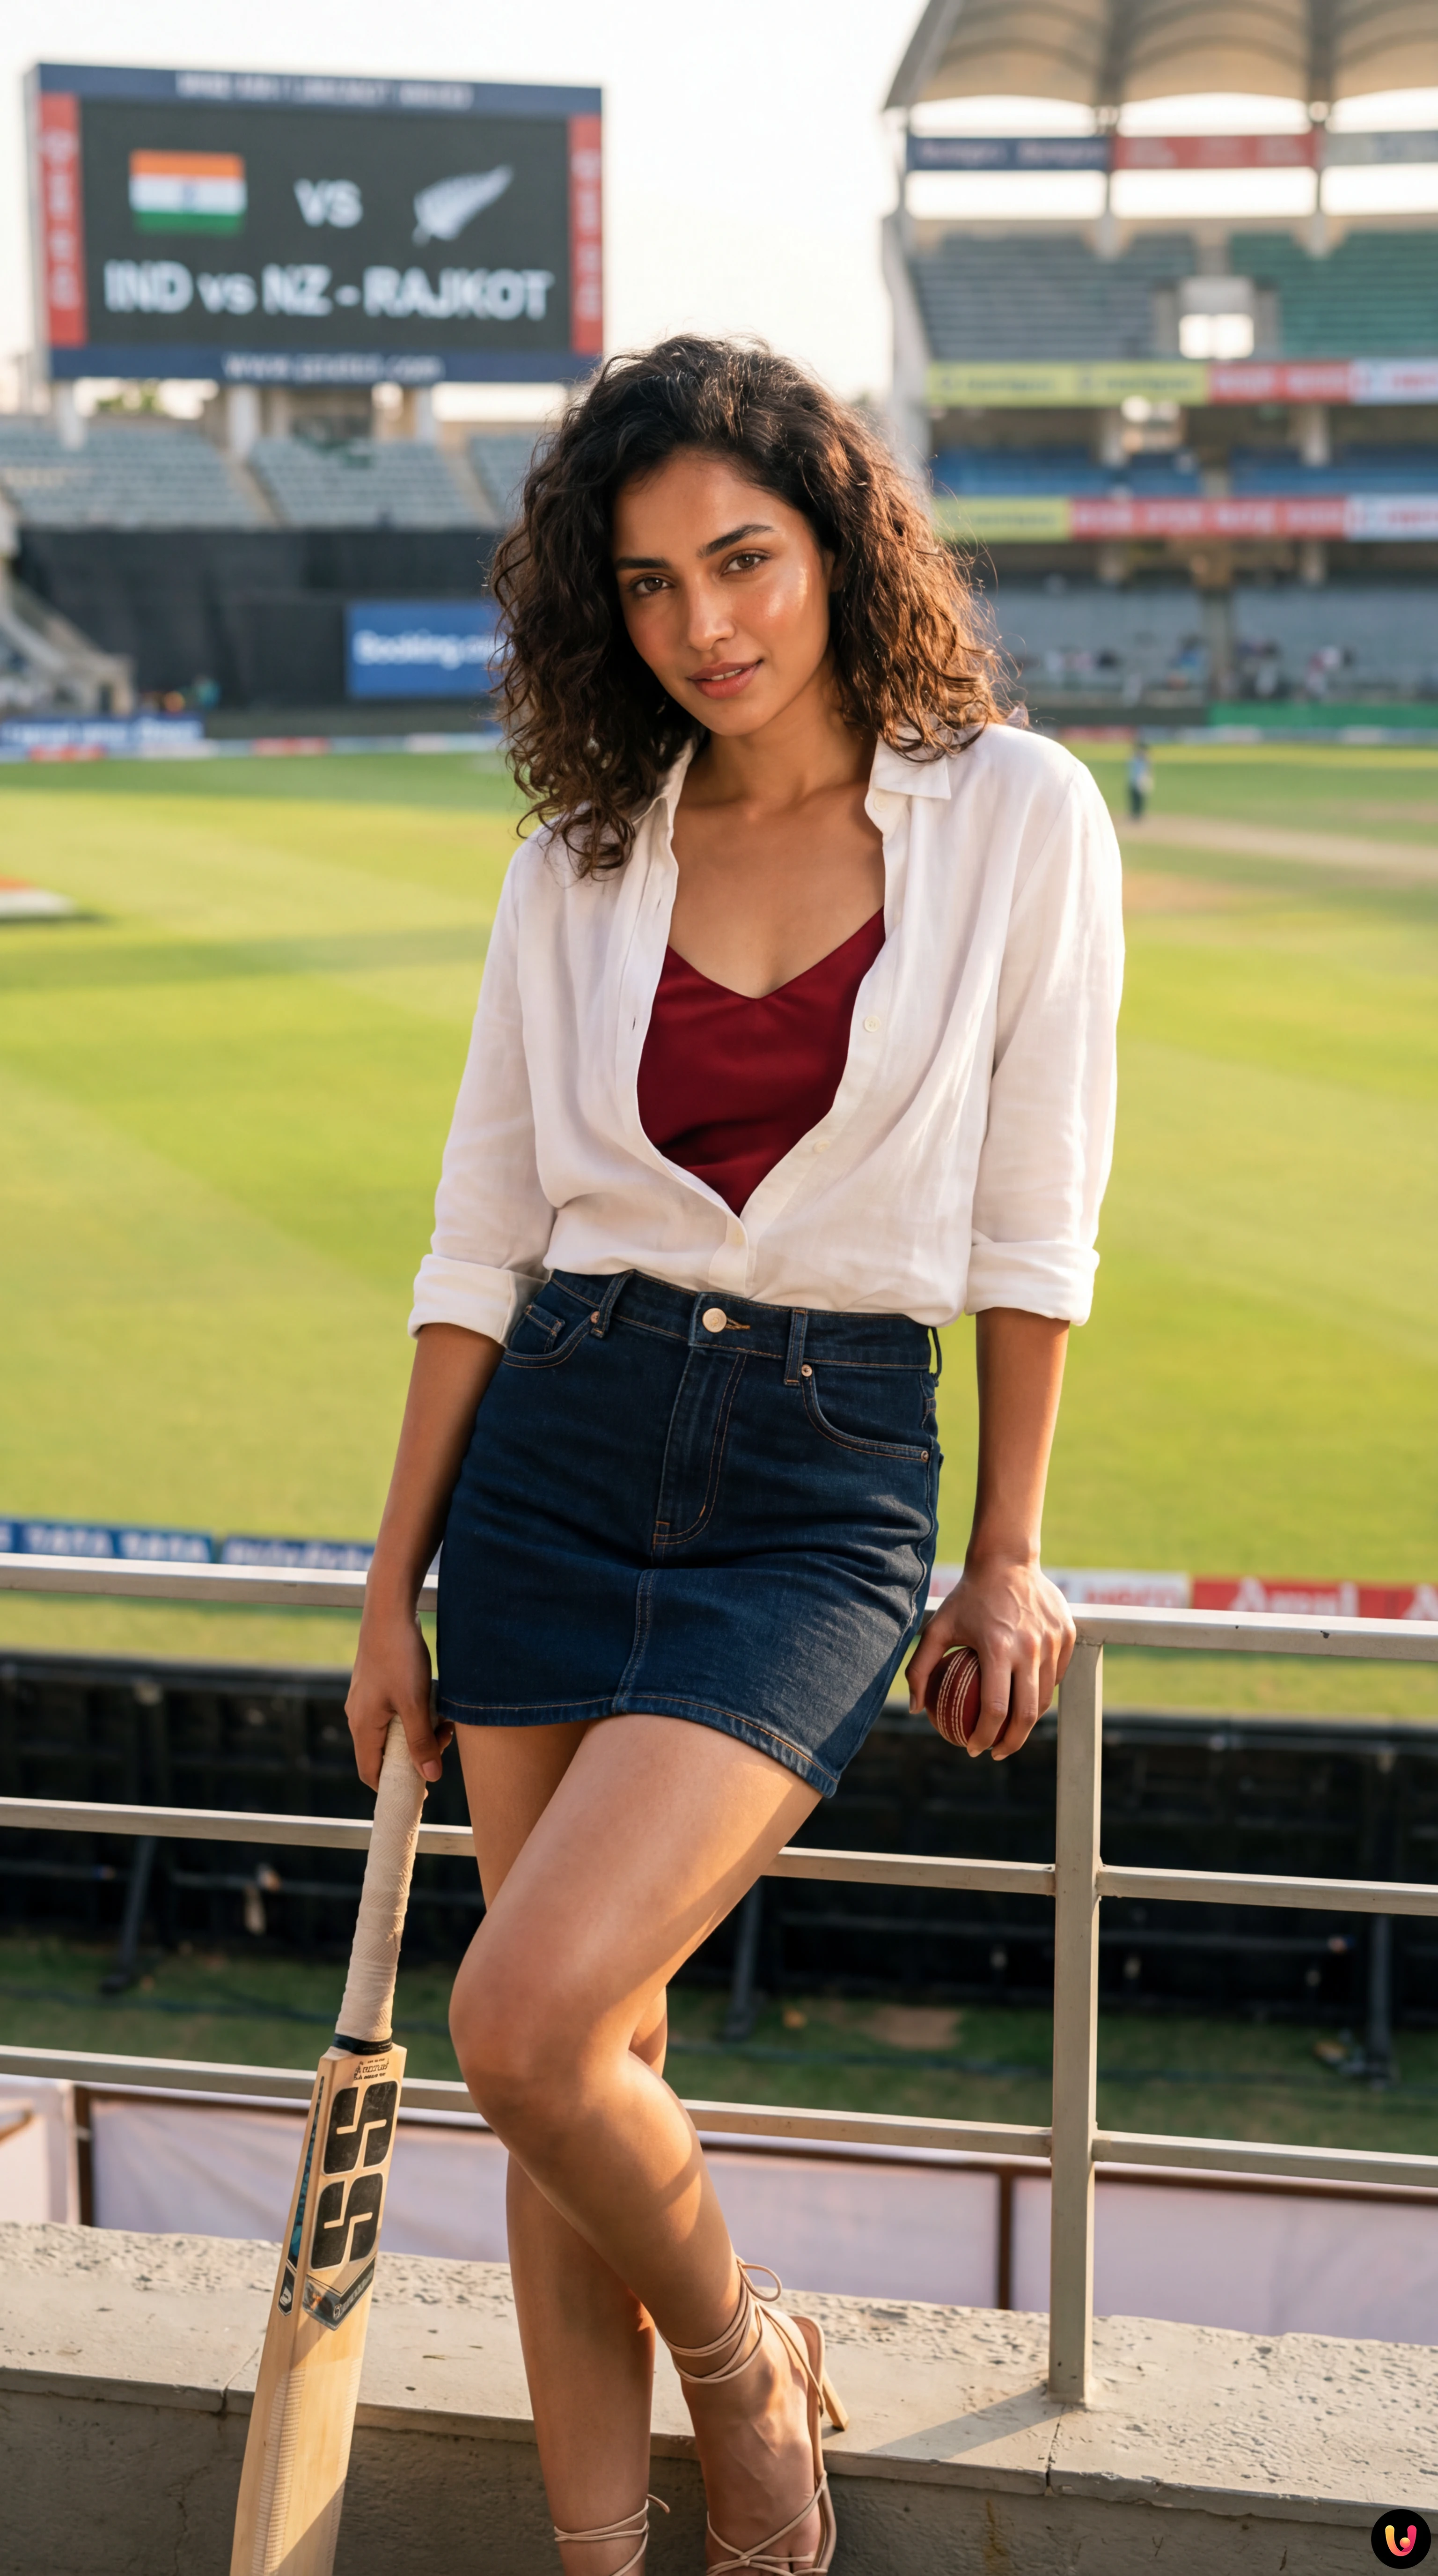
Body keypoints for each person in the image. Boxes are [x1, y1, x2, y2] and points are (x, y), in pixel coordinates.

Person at [346, 337, 1123, 2576]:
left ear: (836, 543)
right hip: (556, 1444)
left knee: (521, 2013)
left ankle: (741, 2364)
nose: (709, 620)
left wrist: (1010, 1550)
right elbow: (482, 1228)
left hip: (816, 1474)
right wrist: (387, 1579)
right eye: (655, 580)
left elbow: (1033, 1213)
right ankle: (607, 2560)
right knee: (576, 2065)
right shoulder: (580, 856)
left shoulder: (1013, 817)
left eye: (748, 558)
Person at [1126, 739, 1153, 819]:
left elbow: (1148, 770)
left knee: (1141, 800)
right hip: (1133, 780)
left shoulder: (1146, 759)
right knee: (1133, 799)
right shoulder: (1134, 758)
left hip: (1142, 781)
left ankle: (1139, 815)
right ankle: (1133, 814)